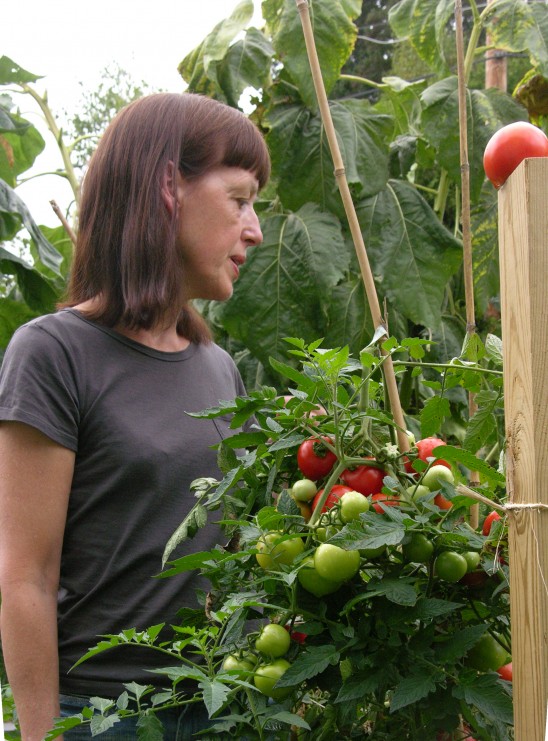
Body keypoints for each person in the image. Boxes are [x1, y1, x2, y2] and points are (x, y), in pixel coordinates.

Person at [0, 92, 270, 740]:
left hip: (219, 706)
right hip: (101, 718)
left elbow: (233, 552)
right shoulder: (54, 353)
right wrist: (43, 734)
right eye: (239, 199)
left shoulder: (217, 367)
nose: (255, 229)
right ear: (168, 186)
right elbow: (25, 577)